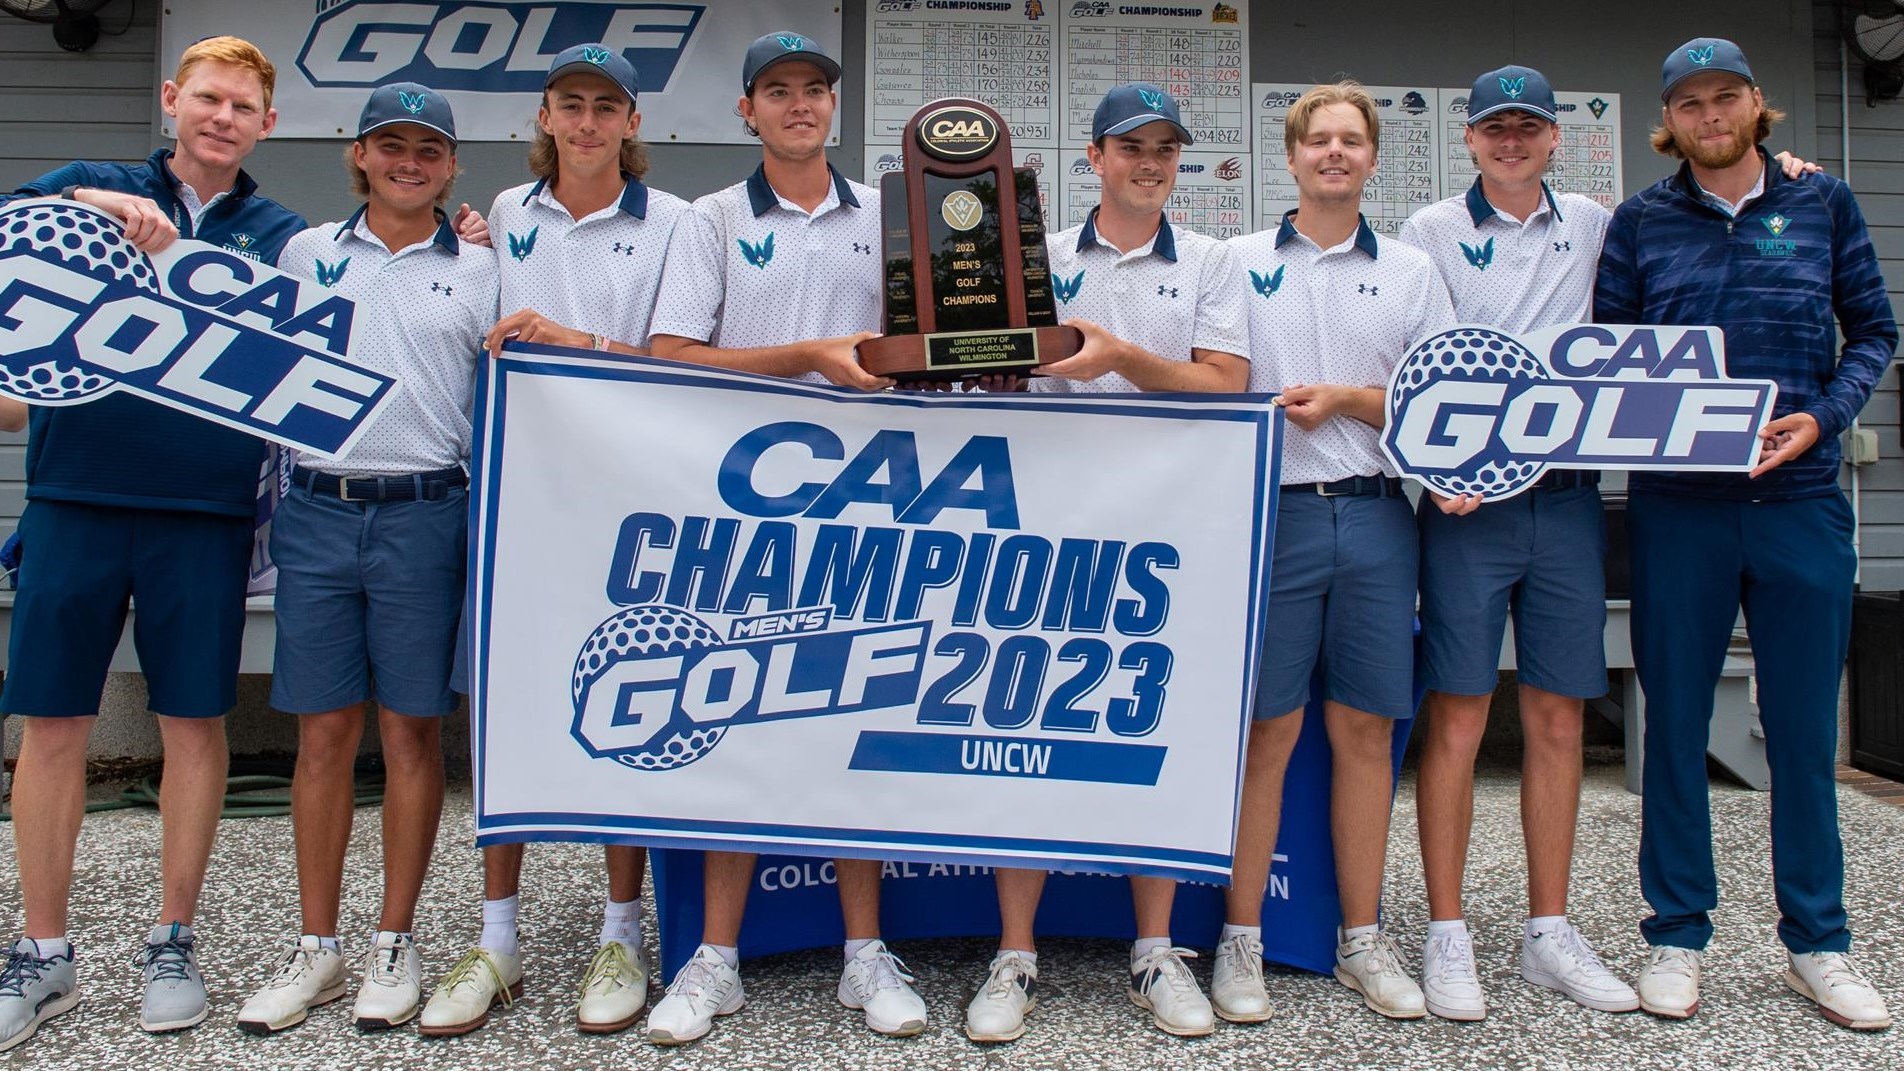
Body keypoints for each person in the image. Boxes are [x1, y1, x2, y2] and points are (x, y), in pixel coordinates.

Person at [0, 36, 306, 1050]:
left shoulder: (278, 234)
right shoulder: (92, 184)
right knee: (52, 725)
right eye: (207, 99)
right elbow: (15, 227)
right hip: (75, 495)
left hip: (206, 513)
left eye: (243, 106)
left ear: (269, 123)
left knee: (192, 724)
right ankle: (44, 952)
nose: (222, 118)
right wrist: (99, 214)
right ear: (173, 101)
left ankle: (172, 938)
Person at [1595, 36, 1896, 1032]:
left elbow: (1874, 331)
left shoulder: (1822, 202)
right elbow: (1611, 355)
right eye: (1688, 103)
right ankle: (1675, 935)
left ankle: (1817, 945)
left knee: (1803, 736)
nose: (1708, 115)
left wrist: (1826, 413)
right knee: (1672, 726)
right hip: (1680, 511)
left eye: (1725, 97)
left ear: (1756, 105)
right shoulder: (1640, 222)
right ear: (1668, 119)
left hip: (1801, 501)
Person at [639, 31, 921, 1046]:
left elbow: (927, 346)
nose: (798, 104)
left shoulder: (892, 214)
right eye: (777, 91)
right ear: (747, 111)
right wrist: (803, 357)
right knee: (735, 713)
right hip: (743, 512)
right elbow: (670, 355)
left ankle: (861, 954)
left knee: (852, 707)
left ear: (832, 105)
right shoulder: (712, 220)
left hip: (867, 508)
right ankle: (713, 959)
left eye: (813, 89)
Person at [962, 83, 1250, 1043]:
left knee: (1149, 722)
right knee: (1020, 716)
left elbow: (1226, 384)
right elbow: (980, 365)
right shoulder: (1032, 254)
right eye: (1134, 147)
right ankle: (1015, 953)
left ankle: (1157, 948)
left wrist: (1121, 354)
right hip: (1041, 522)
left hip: (1169, 532)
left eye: (1167, 147)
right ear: (1094, 157)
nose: (1152, 162)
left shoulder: (1212, 258)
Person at [416, 43, 688, 1039]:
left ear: (631, 124)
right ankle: (497, 936)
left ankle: (622, 929)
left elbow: (674, 360)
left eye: (603, 107)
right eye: (569, 105)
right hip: (519, 500)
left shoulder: (673, 224)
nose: (584, 123)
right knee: (508, 709)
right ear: (545, 115)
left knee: (629, 693)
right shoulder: (502, 217)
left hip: (626, 504)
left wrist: (585, 348)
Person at [229, 82, 496, 1036]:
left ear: (453, 164)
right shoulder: (303, 254)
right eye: (391, 144)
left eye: (429, 148)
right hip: (317, 509)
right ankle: (319, 949)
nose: (409, 161)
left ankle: (396, 938)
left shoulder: (482, 266)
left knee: (414, 731)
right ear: (359, 153)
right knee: (322, 736)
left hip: (427, 508)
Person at [1393, 64, 1634, 1021]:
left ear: (1554, 137)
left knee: (1560, 716)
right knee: (1456, 711)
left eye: (1528, 126)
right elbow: (1421, 361)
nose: (1511, 140)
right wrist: (1438, 466)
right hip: (1467, 504)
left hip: (1570, 499)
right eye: (1495, 127)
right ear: (1470, 138)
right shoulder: (1429, 232)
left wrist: (1782, 173)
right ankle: (1447, 931)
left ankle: (1547, 930)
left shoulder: (1597, 221)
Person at [1219, 80, 1453, 1023]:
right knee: (1266, 732)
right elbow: (1207, 378)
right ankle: (1240, 941)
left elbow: (1441, 409)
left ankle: (1363, 937)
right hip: (1268, 516)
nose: (1335, 155)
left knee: (1365, 731)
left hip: (1374, 510)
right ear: (1291, 156)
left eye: (1352, 141)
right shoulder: (1231, 261)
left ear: (1370, 158)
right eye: (1319, 141)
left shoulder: (1408, 271)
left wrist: (1353, 401)